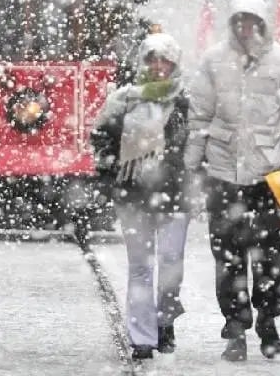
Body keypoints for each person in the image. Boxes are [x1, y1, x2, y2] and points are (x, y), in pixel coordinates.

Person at [185, 0, 280, 362]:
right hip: (223, 174)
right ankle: (236, 326)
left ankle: (268, 319)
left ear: (261, 24)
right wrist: (193, 162)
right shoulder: (213, 61)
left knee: (269, 256)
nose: (245, 28)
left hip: (268, 176)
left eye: (251, 21)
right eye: (239, 21)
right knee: (227, 256)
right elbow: (200, 115)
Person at [91, 33, 192, 362]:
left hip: (176, 196)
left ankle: (164, 321)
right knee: (140, 268)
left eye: (165, 60)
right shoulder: (123, 99)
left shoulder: (186, 102)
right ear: (143, 63)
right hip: (133, 197)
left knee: (172, 264)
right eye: (152, 59)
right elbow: (101, 140)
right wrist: (112, 176)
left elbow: (201, 145)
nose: (159, 66)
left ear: (174, 63)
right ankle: (142, 338)